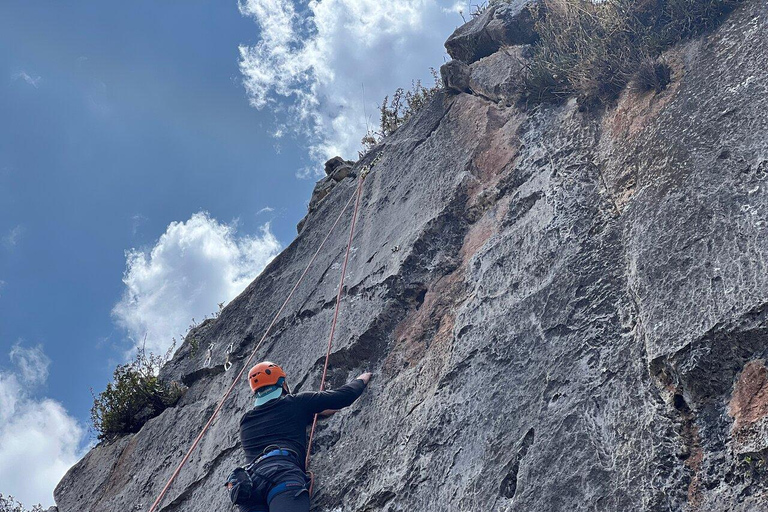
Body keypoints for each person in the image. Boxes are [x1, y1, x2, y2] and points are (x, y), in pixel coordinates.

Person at [233, 361, 371, 512]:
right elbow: (345, 396)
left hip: (251, 486)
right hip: (281, 474)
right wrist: (363, 378)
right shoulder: (296, 403)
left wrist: (314, 413)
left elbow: (281, 420)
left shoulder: (246, 421)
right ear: (283, 384)